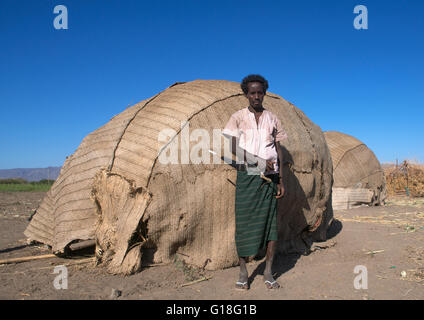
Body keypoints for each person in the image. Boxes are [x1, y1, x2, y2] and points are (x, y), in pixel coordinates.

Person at [222, 74, 287, 290]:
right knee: (243, 225)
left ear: (265, 93)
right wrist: (258, 162)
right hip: (247, 176)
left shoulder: (273, 118)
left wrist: (281, 180)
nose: (256, 96)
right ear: (246, 94)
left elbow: (278, 150)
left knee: (271, 227)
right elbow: (232, 148)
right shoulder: (238, 117)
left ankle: (268, 272)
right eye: (252, 92)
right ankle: (243, 271)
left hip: (270, 177)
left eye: (260, 92)